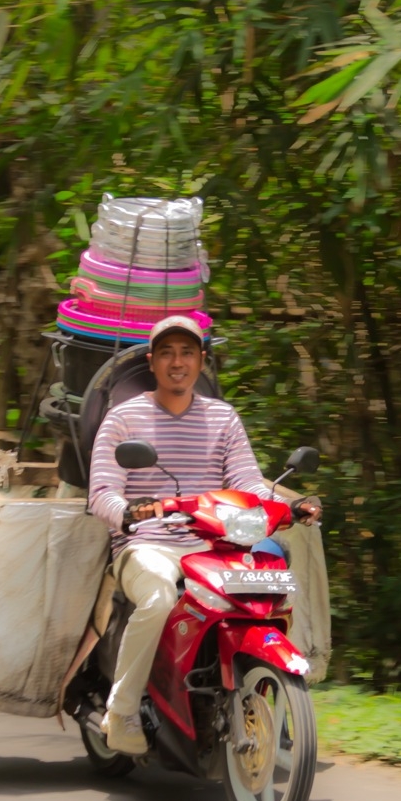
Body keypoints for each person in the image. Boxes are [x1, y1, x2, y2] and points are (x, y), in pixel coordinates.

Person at [87, 316, 321, 755]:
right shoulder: (124, 418)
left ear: (201, 362)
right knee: (158, 597)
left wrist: (287, 505)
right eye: (168, 353)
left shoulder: (222, 417)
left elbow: (247, 482)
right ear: (152, 362)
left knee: (275, 584)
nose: (178, 362)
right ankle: (121, 713)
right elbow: (101, 491)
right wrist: (127, 514)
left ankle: (274, 694)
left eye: (188, 353)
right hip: (147, 542)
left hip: (214, 542)